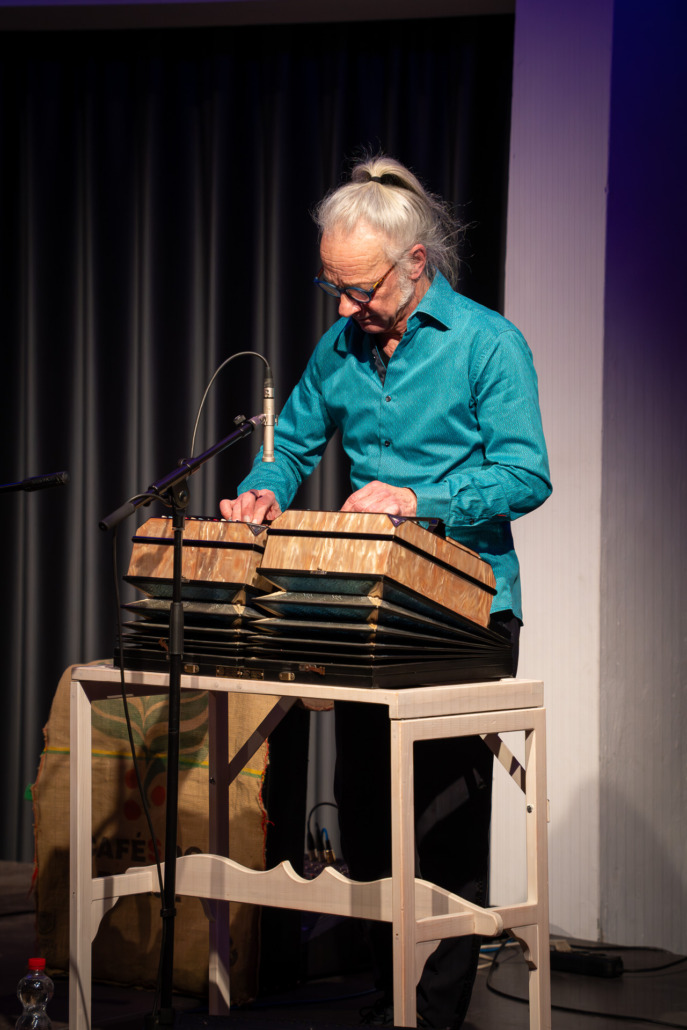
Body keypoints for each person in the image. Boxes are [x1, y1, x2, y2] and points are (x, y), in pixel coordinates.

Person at [219, 154, 551, 1029]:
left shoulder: (486, 343)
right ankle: (382, 997)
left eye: (358, 289)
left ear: (415, 263)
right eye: (331, 286)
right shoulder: (340, 348)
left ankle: (433, 1014)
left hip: (464, 609)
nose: (343, 308)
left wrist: (418, 499)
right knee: (366, 812)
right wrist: (262, 490)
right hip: (368, 608)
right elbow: (290, 446)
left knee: (440, 818)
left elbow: (526, 475)